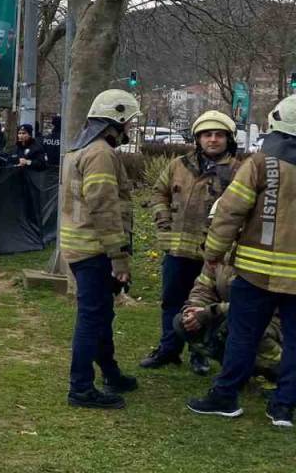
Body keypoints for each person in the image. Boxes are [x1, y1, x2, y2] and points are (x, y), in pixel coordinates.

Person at [188, 95, 296, 427]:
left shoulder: (261, 164)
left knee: (242, 334)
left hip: (254, 272)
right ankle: (283, 407)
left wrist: (213, 255)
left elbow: (229, 213)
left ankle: (226, 396)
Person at [142, 110, 242, 371]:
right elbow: (158, 193)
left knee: (206, 305)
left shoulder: (239, 171)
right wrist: (163, 219)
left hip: (213, 253)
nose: (212, 140)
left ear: (228, 139)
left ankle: (200, 353)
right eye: (207, 135)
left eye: (219, 135)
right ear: (197, 138)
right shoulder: (178, 165)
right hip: (177, 250)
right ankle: (169, 349)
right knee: (172, 300)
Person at [61, 89, 141, 409]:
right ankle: (80, 388)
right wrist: (118, 256)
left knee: (101, 315)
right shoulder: (100, 154)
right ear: (116, 121)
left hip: (82, 246)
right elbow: (104, 207)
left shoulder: (80, 149)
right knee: (93, 318)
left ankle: (110, 371)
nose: (130, 129)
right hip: (95, 249)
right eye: (129, 123)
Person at [175, 261, 283, 378]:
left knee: (240, 327)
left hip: (273, 319)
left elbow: (252, 303)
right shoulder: (218, 256)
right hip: (232, 313)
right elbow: (203, 288)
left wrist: (208, 312)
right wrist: (193, 310)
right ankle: (235, 370)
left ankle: (281, 371)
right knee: (181, 322)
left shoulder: (260, 256)